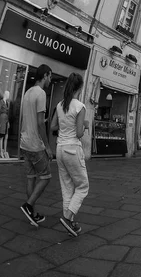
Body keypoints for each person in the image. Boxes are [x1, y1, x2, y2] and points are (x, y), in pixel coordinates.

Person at [50, 73, 89, 237]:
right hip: (73, 148)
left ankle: (70, 223)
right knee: (82, 186)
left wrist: (64, 127)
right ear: (79, 87)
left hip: (60, 149)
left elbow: (52, 127)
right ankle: (67, 218)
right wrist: (85, 125)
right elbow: (79, 133)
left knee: (67, 187)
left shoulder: (60, 105)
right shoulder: (80, 106)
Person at [19, 64, 53, 227]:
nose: (50, 80)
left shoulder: (27, 93)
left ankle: (31, 213)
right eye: (50, 76)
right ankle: (28, 205)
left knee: (31, 178)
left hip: (24, 143)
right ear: (45, 75)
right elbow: (40, 123)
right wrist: (47, 146)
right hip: (35, 145)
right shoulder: (41, 93)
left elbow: (27, 118)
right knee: (46, 177)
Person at [0, 91, 9, 158]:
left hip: (6, 119)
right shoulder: (1, 102)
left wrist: (8, 122)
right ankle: (1, 151)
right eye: (7, 94)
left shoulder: (7, 103)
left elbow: (8, 113)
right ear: (5, 94)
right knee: (1, 136)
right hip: (2, 119)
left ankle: (5, 151)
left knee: (6, 135)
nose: (8, 95)